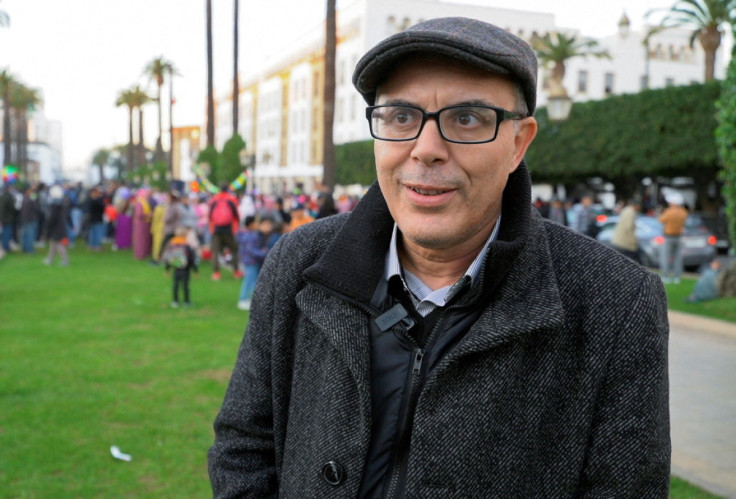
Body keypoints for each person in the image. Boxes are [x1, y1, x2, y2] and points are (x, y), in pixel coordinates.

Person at [208, 17, 670, 497]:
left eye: (467, 118)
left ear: (519, 142)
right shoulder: (298, 262)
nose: (426, 149)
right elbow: (244, 446)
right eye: (401, 116)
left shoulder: (616, 304)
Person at [236, 215, 274, 311]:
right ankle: (244, 299)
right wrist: (264, 253)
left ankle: (247, 299)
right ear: (251, 224)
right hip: (251, 262)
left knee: (249, 280)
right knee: (250, 281)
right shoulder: (251, 236)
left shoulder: (245, 234)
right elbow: (251, 250)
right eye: (256, 222)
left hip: (248, 261)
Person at [208, 184, 243, 280]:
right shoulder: (231, 199)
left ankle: (216, 273)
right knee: (234, 250)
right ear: (228, 189)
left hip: (216, 229)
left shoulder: (214, 199)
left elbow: (210, 215)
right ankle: (236, 271)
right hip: (229, 229)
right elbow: (236, 215)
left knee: (215, 251)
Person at [163, 226, 199, 308]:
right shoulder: (187, 246)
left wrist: (167, 269)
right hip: (186, 270)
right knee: (185, 286)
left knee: (175, 285)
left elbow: (168, 258)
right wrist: (195, 270)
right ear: (185, 235)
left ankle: (175, 301)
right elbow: (191, 259)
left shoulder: (172, 245)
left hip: (176, 269)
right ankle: (187, 302)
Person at [658, 191, 689, 283]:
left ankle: (666, 276)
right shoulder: (683, 212)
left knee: (665, 256)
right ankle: (677, 277)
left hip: (668, 236)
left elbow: (661, 220)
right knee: (678, 258)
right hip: (679, 236)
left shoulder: (668, 212)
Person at [43, 185, 70, 267]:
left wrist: (47, 227)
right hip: (60, 226)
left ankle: (65, 261)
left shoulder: (55, 205)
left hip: (56, 227)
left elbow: (52, 218)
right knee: (54, 243)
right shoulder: (62, 203)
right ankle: (50, 259)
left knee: (58, 244)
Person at [611, 198, 641, 263]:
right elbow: (629, 227)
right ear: (636, 205)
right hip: (625, 243)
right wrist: (634, 242)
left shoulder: (626, 210)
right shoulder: (631, 212)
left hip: (619, 241)